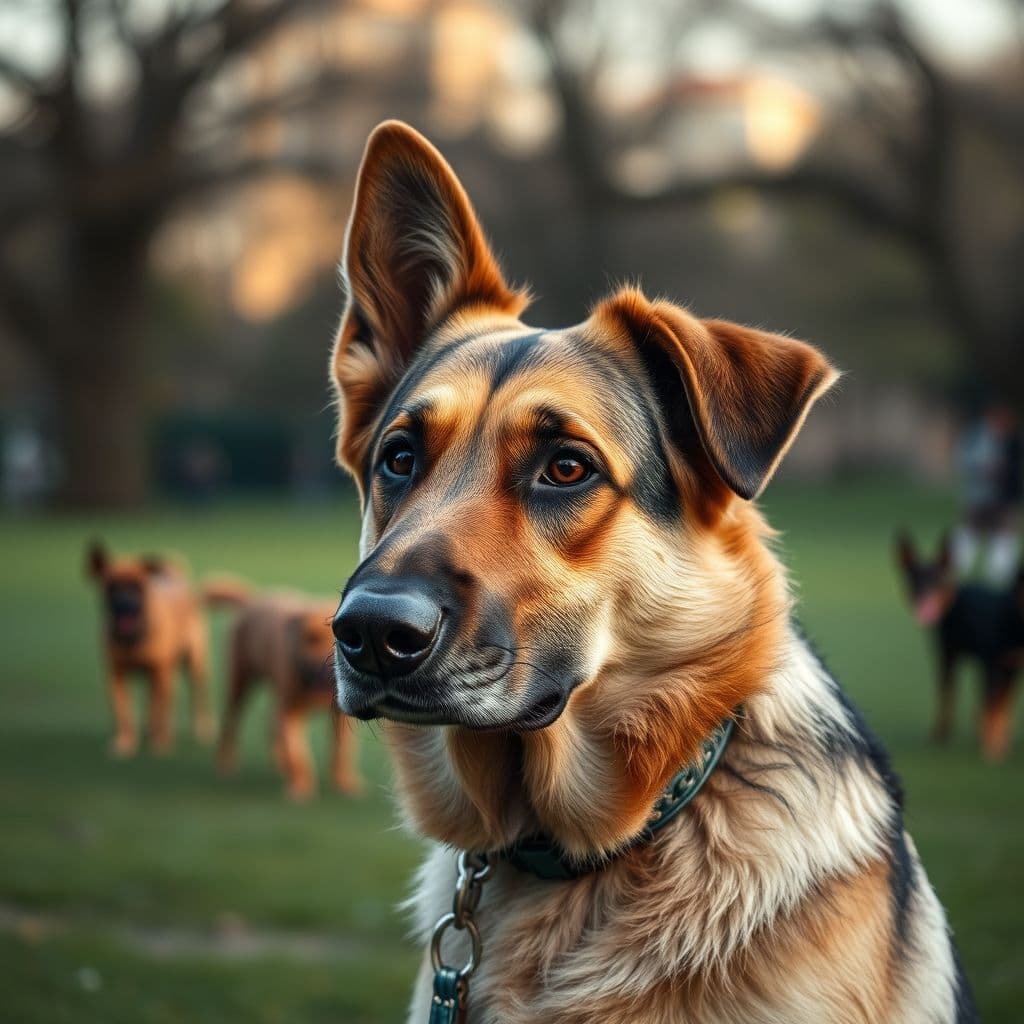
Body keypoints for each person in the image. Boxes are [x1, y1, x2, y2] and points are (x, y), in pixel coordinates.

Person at [952, 403, 1022, 585]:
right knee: (970, 531)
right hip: (980, 496)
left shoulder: (1010, 437)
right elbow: (964, 460)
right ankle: (956, 567)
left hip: (1003, 496)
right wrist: (985, 467)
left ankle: (1001, 573)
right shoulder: (976, 435)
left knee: (1004, 533)